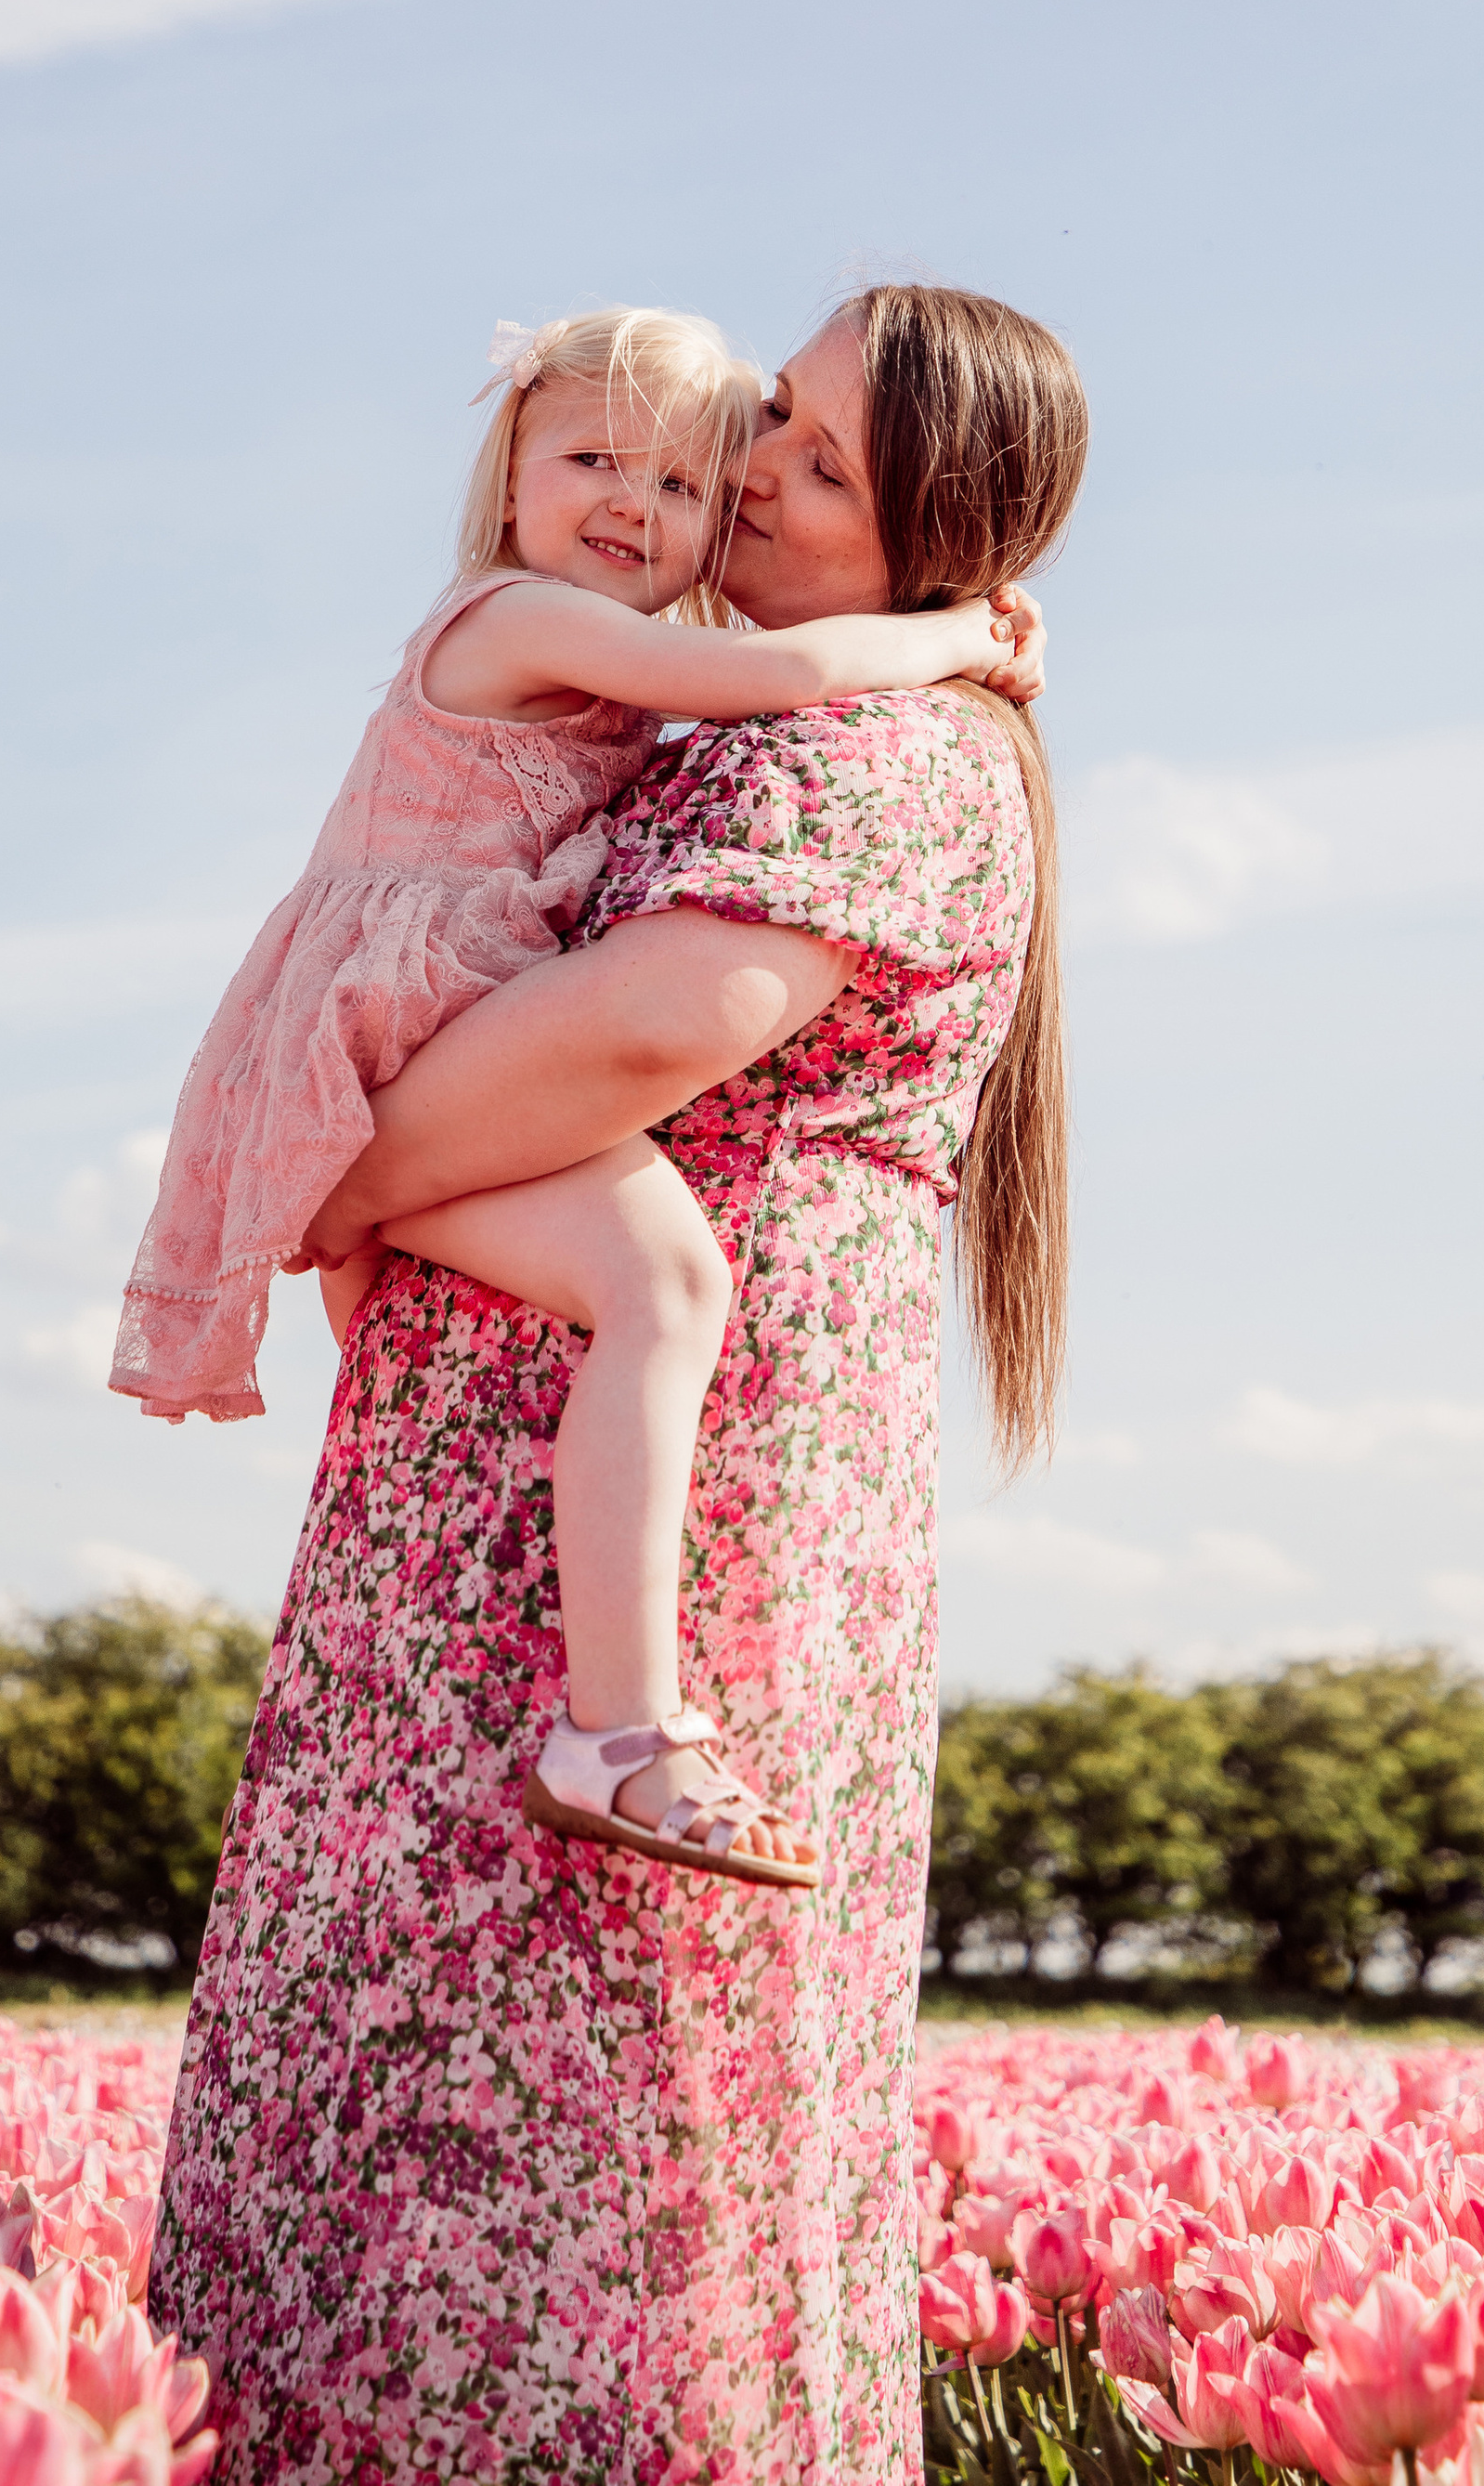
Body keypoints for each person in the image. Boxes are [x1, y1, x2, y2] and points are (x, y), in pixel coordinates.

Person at [149, 281, 1088, 2486]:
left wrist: (295, 1181)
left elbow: (625, 1044)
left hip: (661, 1530)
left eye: (817, 459)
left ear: (935, 537)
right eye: (769, 411)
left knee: (580, 2119)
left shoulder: (876, 748)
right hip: (539, 1507)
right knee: (451, 2090)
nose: (748, 465)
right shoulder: (701, 709)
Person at [108, 302, 1038, 1891]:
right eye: (596, 456)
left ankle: (611, 1716)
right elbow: (794, 670)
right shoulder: (526, 618)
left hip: (403, 1026)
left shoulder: (738, 716)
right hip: (390, 1020)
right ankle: (616, 1722)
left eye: (692, 475)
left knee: (635, 1289)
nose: (663, 499)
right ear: (512, 458)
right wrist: (967, 644)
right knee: (662, 1284)